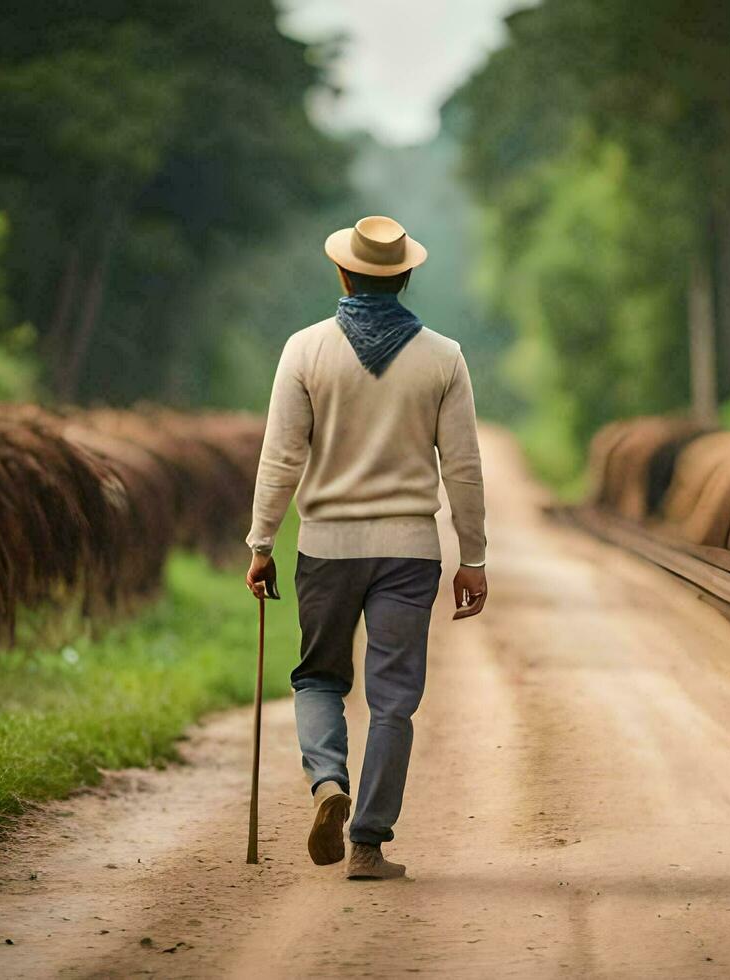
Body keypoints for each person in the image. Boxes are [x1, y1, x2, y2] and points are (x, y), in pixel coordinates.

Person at [244, 215, 488, 881]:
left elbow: (281, 457)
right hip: (409, 553)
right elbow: (462, 467)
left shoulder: (304, 350)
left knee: (319, 677)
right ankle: (368, 844)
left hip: (326, 548)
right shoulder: (444, 357)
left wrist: (262, 541)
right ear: (404, 276)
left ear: (343, 271)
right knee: (393, 699)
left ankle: (327, 782)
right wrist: (473, 557)